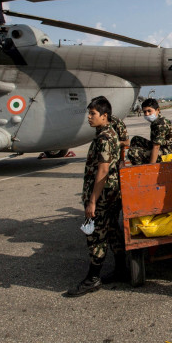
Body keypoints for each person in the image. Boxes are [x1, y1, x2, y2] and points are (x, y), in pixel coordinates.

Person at [66, 96, 123, 297]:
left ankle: (93, 278)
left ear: (104, 116)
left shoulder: (105, 138)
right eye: (89, 113)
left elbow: (103, 170)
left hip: (103, 194)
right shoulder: (107, 133)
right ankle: (121, 269)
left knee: (96, 235)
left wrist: (92, 201)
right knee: (113, 230)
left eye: (93, 114)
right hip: (111, 192)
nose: (89, 117)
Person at [126, 98, 172, 165]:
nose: (147, 114)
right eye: (144, 112)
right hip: (162, 146)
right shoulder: (156, 121)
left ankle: (143, 170)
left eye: (149, 111)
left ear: (157, 110)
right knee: (136, 139)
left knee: (133, 152)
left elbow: (156, 146)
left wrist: (151, 166)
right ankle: (142, 162)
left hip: (169, 150)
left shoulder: (161, 124)